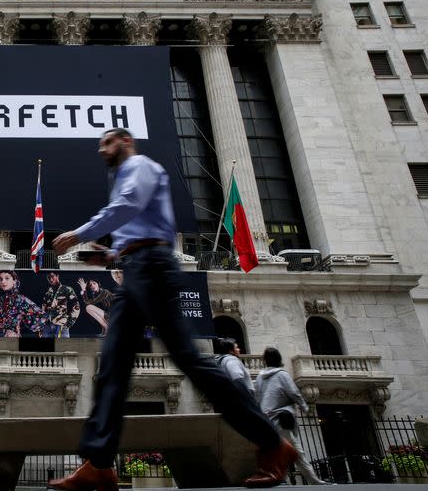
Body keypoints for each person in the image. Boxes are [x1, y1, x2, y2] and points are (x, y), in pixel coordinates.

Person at [50, 128, 296, 491]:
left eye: (107, 142)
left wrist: (80, 233)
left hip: (153, 268)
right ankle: (99, 464)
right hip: (136, 268)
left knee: (190, 362)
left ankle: (273, 443)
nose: (101, 150)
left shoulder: (141, 167)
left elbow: (127, 207)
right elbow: (136, 227)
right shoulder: (124, 176)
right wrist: (109, 256)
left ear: (126, 141)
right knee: (113, 366)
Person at [256, 347, 328, 485]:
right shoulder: (282, 374)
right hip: (280, 420)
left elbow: (257, 398)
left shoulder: (260, 376)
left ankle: (282, 479)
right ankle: (313, 480)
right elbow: (294, 393)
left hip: (266, 421)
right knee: (296, 452)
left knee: (273, 452)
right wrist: (304, 407)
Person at [0, 270, 46, 337]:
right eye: (0, 279)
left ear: (14, 280)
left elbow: (42, 316)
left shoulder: (20, 299)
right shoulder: (0, 300)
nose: (3, 281)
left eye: (7, 278)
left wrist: (16, 331)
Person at [41, 272, 80, 338]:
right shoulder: (48, 292)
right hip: (47, 325)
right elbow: (44, 307)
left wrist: (69, 323)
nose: (51, 279)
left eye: (52, 276)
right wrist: (42, 325)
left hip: (61, 325)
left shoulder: (67, 289)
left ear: (57, 276)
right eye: (48, 278)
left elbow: (76, 306)